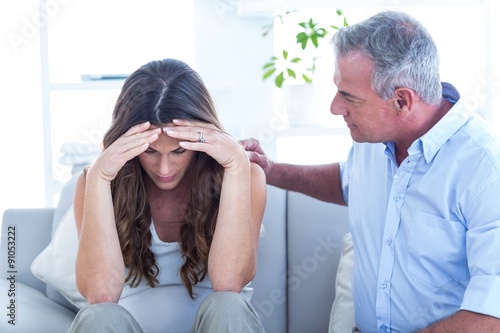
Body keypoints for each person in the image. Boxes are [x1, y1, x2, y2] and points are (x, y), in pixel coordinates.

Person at [242, 10, 500, 333]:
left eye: (348, 97)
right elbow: (347, 182)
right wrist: (271, 170)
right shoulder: (370, 138)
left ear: (402, 101)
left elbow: (490, 317)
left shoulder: (485, 168)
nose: (335, 108)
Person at [69, 58, 267, 333]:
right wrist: (100, 178)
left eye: (178, 151)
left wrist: (235, 164)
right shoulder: (95, 182)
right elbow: (100, 295)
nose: (164, 169)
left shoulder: (245, 176)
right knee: (98, 317)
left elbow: (228, 283)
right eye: (149, 151)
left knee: (228, 306)